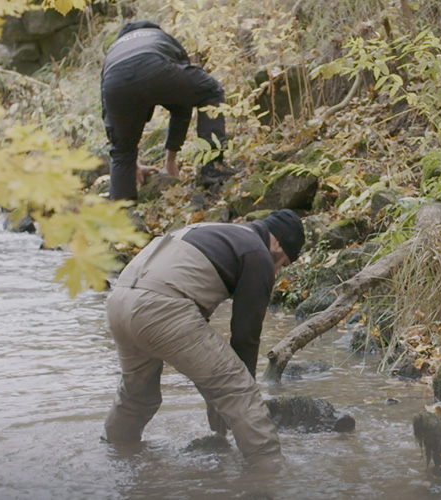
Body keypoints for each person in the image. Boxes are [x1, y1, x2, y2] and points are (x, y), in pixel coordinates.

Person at [103, 209, 305, 468]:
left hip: (119, 302)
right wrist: (229, 393)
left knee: (137, 396)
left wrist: (214, 395)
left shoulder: (215, 232)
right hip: (160, 307)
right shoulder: (258, 252)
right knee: (239, 389)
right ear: (277, 243)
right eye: (284, 262)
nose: (277, 271)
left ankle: (113, 455)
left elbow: (194, 333)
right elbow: (246, 336)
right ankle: (269, 472)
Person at [101, 20, 232, 201]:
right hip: (155, 66)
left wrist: (130, 161)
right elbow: (183, 104)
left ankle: (123, 220)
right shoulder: (161, 37)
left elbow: (109, 116)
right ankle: (213, 168)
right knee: (210, 91)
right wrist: (171, 159)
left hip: (115, 81)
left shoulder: (113, 50)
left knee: (121, 151)